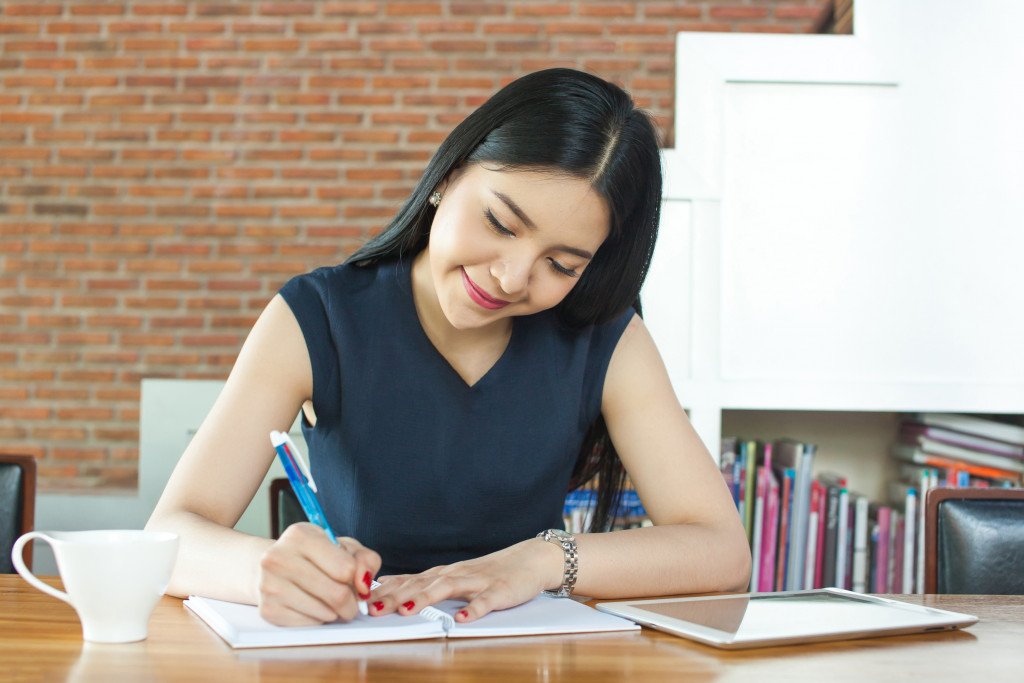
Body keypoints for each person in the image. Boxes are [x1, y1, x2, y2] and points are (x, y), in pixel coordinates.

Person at [146, 68, 751, 627]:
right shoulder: (317, 317)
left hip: (519, 654)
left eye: (561, 265)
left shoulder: (608, 340)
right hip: (359, 650)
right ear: (448, 176)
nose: (512, 278)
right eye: (501, 224)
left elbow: (721, 550)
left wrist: (541, 562)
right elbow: (169, 536)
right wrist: (266, 570)